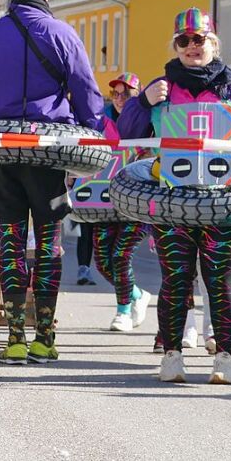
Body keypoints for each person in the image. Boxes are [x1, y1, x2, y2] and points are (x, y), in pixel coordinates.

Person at [118, 7, 231, 385]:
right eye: (184, 41)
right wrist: (143, 101)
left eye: (200, 40)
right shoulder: (161, 88)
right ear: (175, 46)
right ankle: (172, 356)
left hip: (223, 201)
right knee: (175, 280)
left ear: (213, 42)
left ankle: (225, 358)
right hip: (172, 202)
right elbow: (125, 134)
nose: (192, 47)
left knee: (219, 281)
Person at [0, 0, 105, 365]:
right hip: (49, 152)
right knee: (48, 246)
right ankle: (44, 339)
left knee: (12, 243)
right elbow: (85, 92)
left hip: (2, 149)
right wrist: (91, 135)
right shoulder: (64, 33)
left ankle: (14, 339)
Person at [91, 72, 151, 332]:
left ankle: (123, 311)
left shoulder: (148, 120)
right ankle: (137, 294)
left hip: (137, 202)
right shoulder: (101, 122)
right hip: (104, 200)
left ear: (137, 95)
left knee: (120, 256)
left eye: (126, 93)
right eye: (115, 93)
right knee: (102, 262)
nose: (119, 98)